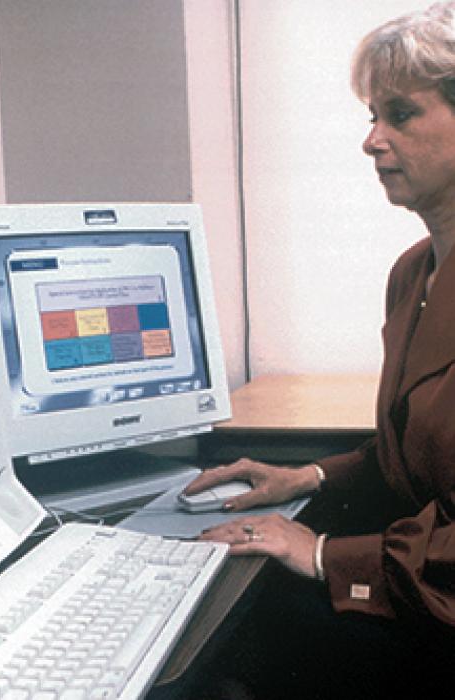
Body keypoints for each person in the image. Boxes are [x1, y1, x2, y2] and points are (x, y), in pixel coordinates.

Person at [177, 3, 455, 698]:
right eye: (371, 116)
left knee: (230, 640)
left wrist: (325, 551)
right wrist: (307, 480)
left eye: (400, 114)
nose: (372, 141)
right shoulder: (414, 272)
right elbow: (412, 452)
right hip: (424, 584)